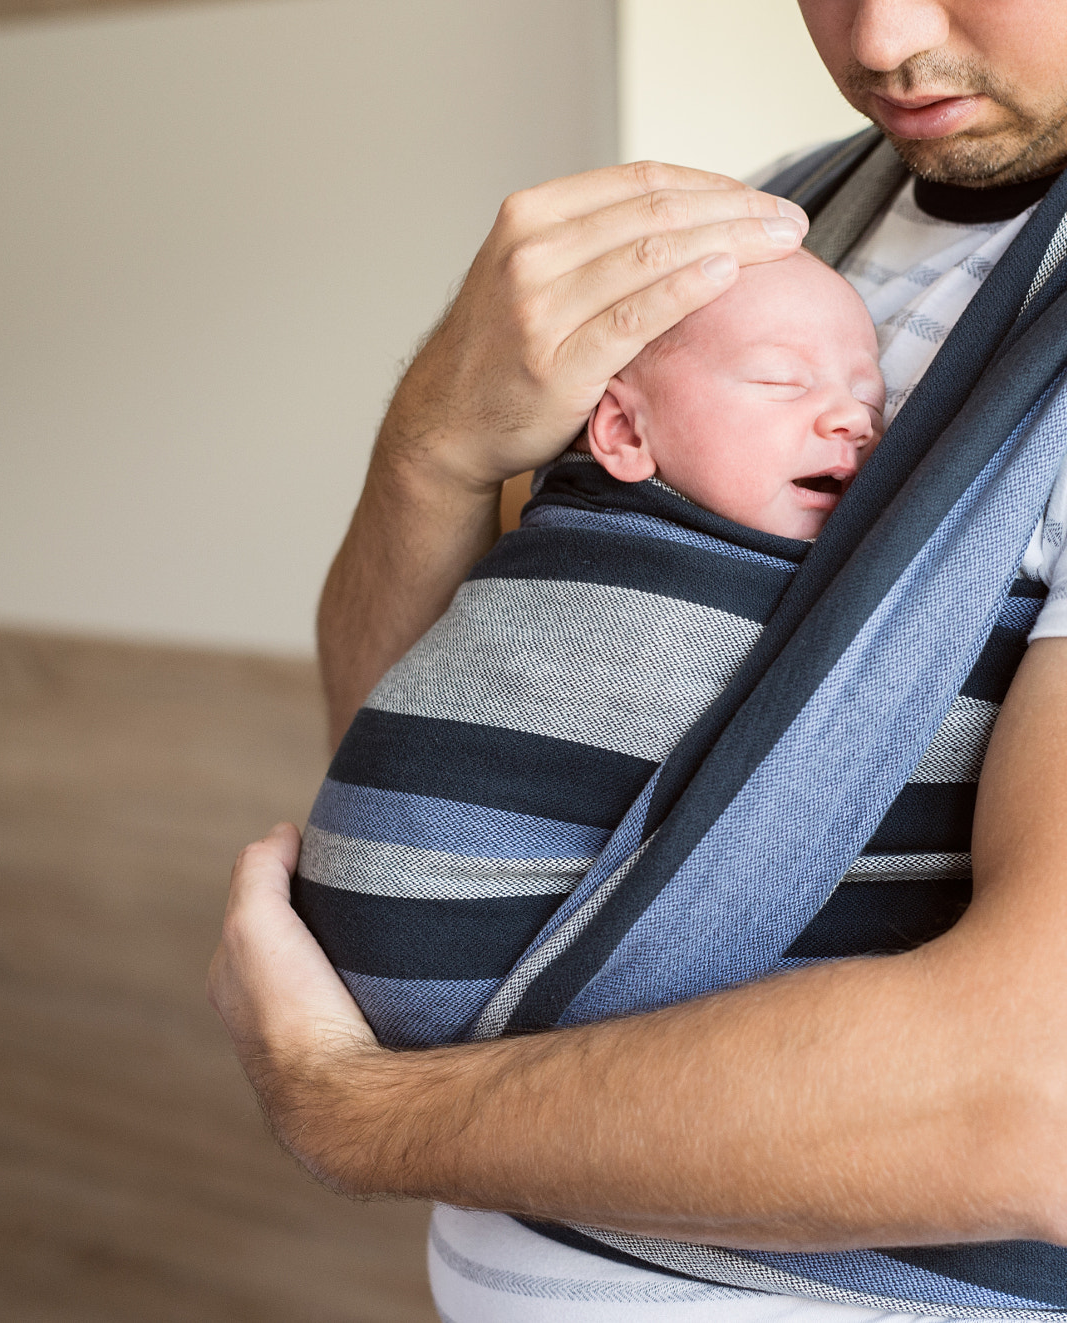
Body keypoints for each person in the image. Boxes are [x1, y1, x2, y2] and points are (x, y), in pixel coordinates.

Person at [209, 2, 1067, 1319]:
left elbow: (1039, 1106)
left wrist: (359, 1112)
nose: (881, 36)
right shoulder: (773, 229)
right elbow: (438, 749)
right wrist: (434, 440)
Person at [293, 252, 943, 1052]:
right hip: (474, 968)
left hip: (438, 1016)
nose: (853, 419)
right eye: (781, 382)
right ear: (625, 431)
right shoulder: (754, 227)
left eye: (870, 396)